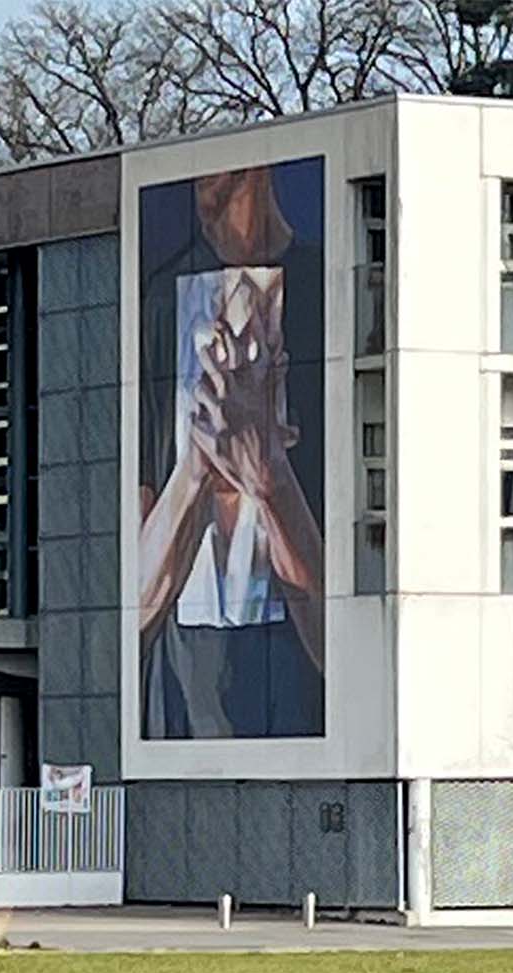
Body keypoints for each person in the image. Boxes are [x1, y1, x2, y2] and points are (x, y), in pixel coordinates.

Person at [139, 163, 325, 739]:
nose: (208, 202)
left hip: (294, 699)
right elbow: (133, 609)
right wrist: (197, 463)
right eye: (199, 185)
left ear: (263, 174)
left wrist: (268, 477)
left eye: (226, 184)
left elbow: (346, 651)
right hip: (180, 695)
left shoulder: (325, 292)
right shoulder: (163, 305)